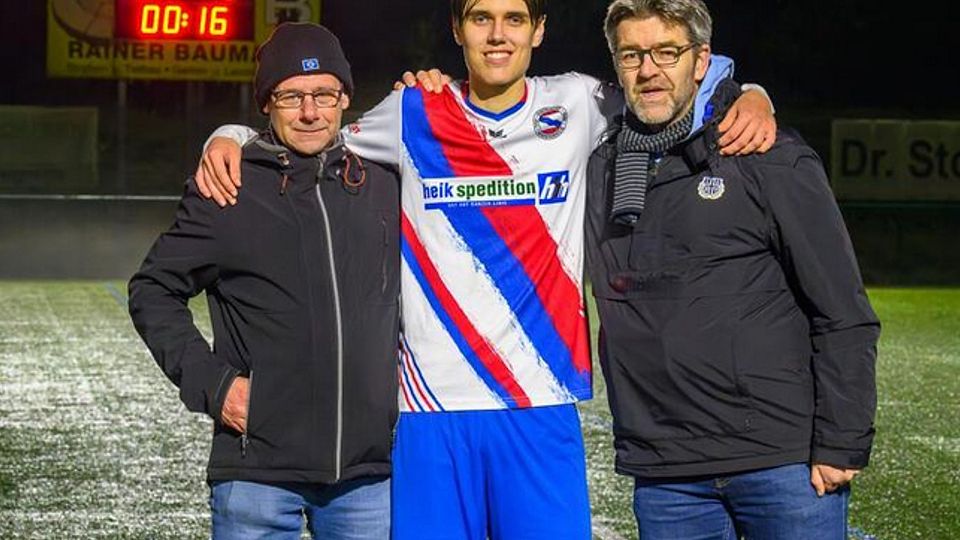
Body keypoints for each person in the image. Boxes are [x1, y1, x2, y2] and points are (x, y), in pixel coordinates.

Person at [195, 1, 775, 537]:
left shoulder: (578, 103)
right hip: (428, 414)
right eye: (481, 18)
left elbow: (668, 89)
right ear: (458, 30)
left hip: (539, 406)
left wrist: (748, 90)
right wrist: (233, 134)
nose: (498, 35)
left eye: (515, 19)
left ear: (538, 30)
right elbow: (313, 136)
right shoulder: (412, 111)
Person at [584, 1, 880, 538]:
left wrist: (841, 444)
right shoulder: (599, 165)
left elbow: (843, 311)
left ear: (701, 61)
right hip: (665, 473)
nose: (648, 69)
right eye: (631, 55)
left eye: (666, 52)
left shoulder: (767, 155)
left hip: (780, 463)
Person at [128, 23, 400, 539]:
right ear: (266, 105)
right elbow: (152, 289)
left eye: (324, 94)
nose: (309, 111)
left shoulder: (382, 181)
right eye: (291, 95)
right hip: (257, 474)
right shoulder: (228, 189)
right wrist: (216, 386)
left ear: (345, 97)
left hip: (368, 476)